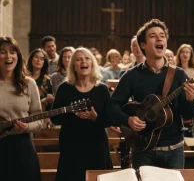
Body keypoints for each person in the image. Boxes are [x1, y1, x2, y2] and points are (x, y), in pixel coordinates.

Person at [108, 19, 194, 170]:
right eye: (153, 36)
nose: (159, 39)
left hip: (173, 150)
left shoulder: (179, 75)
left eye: (162, 35)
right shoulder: (132, 75)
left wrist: (190, 99)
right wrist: (128, 119)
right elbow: (112, 105)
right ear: (143, 45)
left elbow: (189, 114)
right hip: (143, 149)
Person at [50, 47, 113, 181]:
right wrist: (71, 113)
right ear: (73, 66)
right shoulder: (64, 88)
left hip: (97, 146)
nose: (83, 62)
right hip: (71, 146)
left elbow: (110, 119)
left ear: (92, 63)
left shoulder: (102, 89)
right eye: (78, 60)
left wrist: (94, 117)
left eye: (87, 58)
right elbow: (55, 118)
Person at [0, 37, 43, 181]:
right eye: (2, 52)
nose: (8, 56)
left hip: (22, 146)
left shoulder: (28, 83)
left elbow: (39, 119)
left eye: (13, 52)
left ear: (18, 56)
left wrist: (26, 127)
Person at [27, 48, 54, 128]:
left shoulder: (47, 80)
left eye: (42, 59)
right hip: (24, 116)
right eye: (36, 57)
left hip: (41, 117)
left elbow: (50, 105)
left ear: (44, 62)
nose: (38, 60)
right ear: (31, 59)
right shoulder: (23, 78)